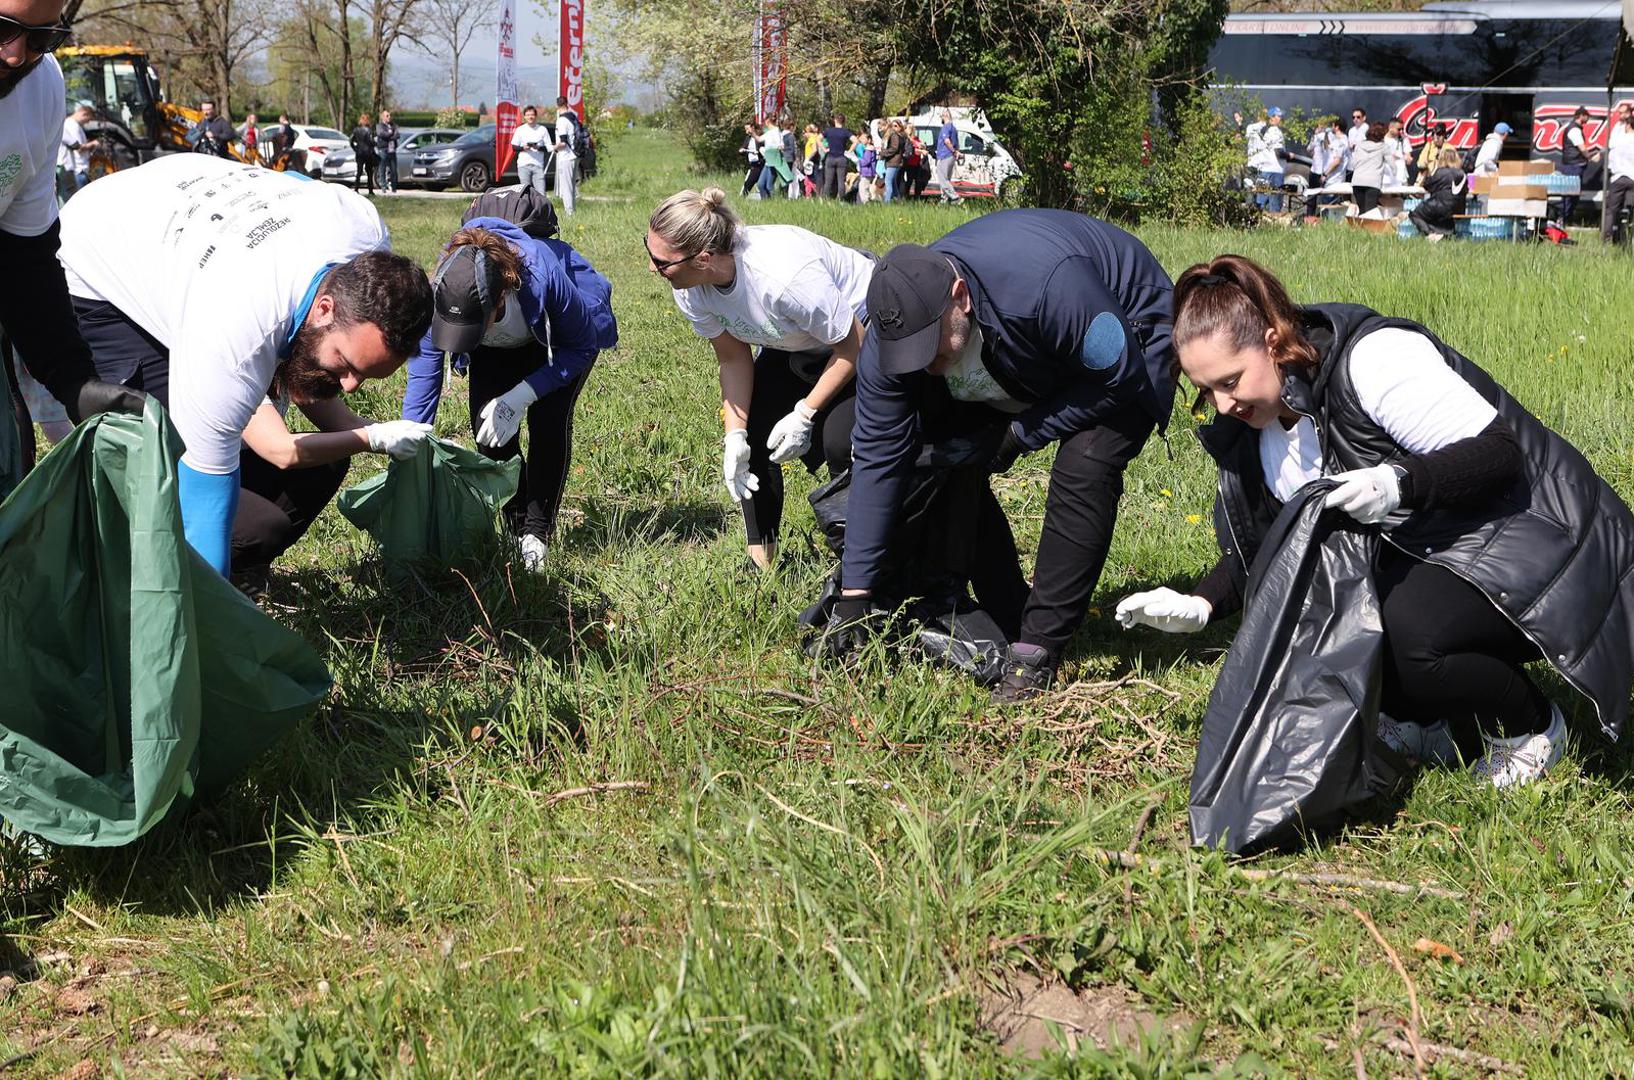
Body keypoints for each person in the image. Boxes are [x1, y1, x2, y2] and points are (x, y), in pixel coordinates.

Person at [1115, 254, 1634, 787]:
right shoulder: (1264, 427)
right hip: (1446, 547)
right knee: (1333, 616)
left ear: (1272, 341)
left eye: (1230, 381)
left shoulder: (1372, 360)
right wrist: (1203, 603)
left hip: (1545, 535)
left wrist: (1396, 483)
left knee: (1408, 630)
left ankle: (1530, 727)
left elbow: (1500, 455)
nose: (1223, 405)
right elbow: (1281, 545)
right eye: (1206, 391)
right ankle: (1424, 722)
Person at [831, 210, 1176, 702]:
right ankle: (1009, 609)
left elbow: (1120, 378)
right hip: (1020, 347)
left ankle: (1038, 651)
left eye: (929, 346)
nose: (924, 363)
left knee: (1085, 467)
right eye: (910, 352)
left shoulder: (1047, 290)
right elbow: (879, 454)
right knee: (943, 450)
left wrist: (1018, 434)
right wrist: (855, 594)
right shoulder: (896, 329)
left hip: (1129, 335)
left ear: (959, 297)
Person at [55, 154, 434, 577]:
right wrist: (217, 625)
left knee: (303, 449)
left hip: (192, 216)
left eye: (365, 374)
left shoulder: (364, 233)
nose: (350, 386)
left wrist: (373, 434)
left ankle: (240, 559)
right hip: (104, 249)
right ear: (324, 308)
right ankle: (126, 567)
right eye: (346, 365)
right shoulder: (232, 334)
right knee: (161, 450)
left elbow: (290, 182)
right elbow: (207, 497)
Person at [646, 188, 873, 571]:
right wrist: (734, 435)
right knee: (753, 432)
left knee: (840, 442)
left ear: (703, 257)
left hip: (863, 328)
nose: (652, 269)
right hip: (797, 338)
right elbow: (734, 358)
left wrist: (805, 413)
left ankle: (861, 571)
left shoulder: (781, 276)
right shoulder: (690, 286)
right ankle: (761, 565)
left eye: (661, 262)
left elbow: (852, 345)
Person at [403, 218, 617, 570]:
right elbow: (425, 374)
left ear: (501, 295)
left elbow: (580, 348)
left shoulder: (542, 280)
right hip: (499, 343)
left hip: (557, 341)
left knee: (548, 421)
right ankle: (516, 529)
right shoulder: (441, 293)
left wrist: (521, 396)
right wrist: (410, 440)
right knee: (487, 432)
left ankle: (537, 532)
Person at [0, 0, 147, 498]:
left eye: (42, 38)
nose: (18, 56)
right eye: (2, 29)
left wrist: (73, 379)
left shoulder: (41, 87)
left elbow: (24, 256)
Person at [1409, 146, 1467, 241]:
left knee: (1415, 214)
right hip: (1457, 208)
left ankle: (1430, 234)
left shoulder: (1440, 172)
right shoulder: (1462, 174)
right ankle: (1445, 234)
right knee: (1443, 214)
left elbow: (1427, 185)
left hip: (1439, 205)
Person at [1556, 106, 1599, 226]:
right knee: (1570, 195)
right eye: (1586, 116)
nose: (1588, 118)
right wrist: (1591, 157)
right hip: (1573, 166)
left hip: (1573, 165)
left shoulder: (1574, 128)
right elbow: (1582, 148)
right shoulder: (1574, 130)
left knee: (1572, 194)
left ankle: (1566, 219)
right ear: (1581, 116)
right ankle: (1563, 219)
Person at [1245, 107, 1286, 213]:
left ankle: (1254, 219)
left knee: (1259, 198)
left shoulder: (1254, 128)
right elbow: (1278, 152)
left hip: (1260, 167)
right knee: (1271, 200)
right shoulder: (1269, 130)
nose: (1281, 118)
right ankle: (1269, 222)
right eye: (1278, 116)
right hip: (1264, 168)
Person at [1603, 105, 1633, 245]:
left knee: (1611, 211)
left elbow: (1611, 150)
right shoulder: (1620, 130)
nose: (1620, 116)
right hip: (1632, 178)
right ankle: (1626, 238)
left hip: (1618, 177)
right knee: (1630, 210)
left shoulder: (1619, 139)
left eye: (1622, 113)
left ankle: (1607, 238)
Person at [1306, 118, 1346, 219]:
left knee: (1317, 198)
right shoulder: (1333, 138)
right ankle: (1314, 219)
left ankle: (1314, 218)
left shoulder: (1328, 138)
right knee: (1319, 198)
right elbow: (1310, 150)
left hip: (1322, 172)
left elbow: (1309, 150)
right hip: (1320, 171)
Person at [56, 101, 94, 200]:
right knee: (71, 197)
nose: (88, 123)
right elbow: (76, 145)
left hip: (69, 167)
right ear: (84, 113)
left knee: (64, 195)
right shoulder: (70, 125)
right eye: (88, 119)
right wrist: (93, 144)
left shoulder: (68, 124)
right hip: (69, 167)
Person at [1349, 122, 1387, 214]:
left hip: (1357, 181)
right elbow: (1392, 165)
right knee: (1370, 211)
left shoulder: (1359, 145)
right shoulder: (1383, 147)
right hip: (1373, 182)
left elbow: (1353, 164)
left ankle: (1360, 227)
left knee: (1361, 210)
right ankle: (1368, 228)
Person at [513, 105, 550, 197]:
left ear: (536, 116)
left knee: (541, 193)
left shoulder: (542, 129)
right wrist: (523, 148)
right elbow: (513, 146)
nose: (530, 117)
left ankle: (542, 211)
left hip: (538, 165)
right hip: (523, 165)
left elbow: (548, 147)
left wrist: (538, 147)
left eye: (532, 114)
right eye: (528, 115)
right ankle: (526, 211)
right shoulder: (520, 129)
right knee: (525, 193)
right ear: (524, 116)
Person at [553, 96, 580, 215]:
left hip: (566, 157)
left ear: (557, 106)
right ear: (567, 104)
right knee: (572, 186)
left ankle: (569, 213)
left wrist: (553, 147)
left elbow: (563, 142)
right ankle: (572, 211)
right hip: (575, 156)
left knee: (566, 187)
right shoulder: (573, 117)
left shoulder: (562, 120)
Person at [758, 117, 792, 198]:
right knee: (760, 184)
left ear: (768, 121)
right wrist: (752, 132)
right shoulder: (768, 132)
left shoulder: (776, 131)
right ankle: (765, 202)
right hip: (768, 162)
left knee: (769, 186)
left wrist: (778, 147)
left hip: (774, 161)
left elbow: (780, 145)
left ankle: (772, 202)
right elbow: (759, 139)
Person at [821, 112, 852, 200]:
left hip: (830, 157)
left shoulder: (829, 130)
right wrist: (849, 151)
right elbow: (855, 141)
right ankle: (841, 200)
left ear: (835, 120)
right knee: (841, 181)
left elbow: (818, 139)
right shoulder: (845, 132)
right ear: (843, 121)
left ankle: (824, 200)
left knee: (828, 181)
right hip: (841, 158)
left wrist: (824, 149)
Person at [934, 108, 962, 204]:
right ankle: (944, 200)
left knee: (943, 180)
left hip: (944, 155)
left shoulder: (946, 127)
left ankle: (955, 197)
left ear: (944, 116)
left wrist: (953, 151)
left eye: (941, 115)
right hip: (951, 156)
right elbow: (957, 143)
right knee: (946, 179)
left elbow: (947, 141)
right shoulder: (954, 128)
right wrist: (956, 153)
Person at [349, 112, 378, 195]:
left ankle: (356, 188)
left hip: (359, 153)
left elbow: (351, 141)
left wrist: (355, 149)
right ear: (367, 120)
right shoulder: (368, 130)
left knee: (359, 171)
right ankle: (370, 190)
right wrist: (376, 144)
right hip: (368, 153)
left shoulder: (355, 130)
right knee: (369, 172)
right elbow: (370, 141)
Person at [881, 119, 907, 204]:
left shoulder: (895, 135)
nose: (894, 128)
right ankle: (899, 201)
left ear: (900, 126)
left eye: (896, 126)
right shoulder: (899, 135)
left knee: (888, 182)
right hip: (895, 161)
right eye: (892, 126)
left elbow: (894, 148)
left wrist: (884, 153)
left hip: (894, 162)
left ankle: (886, 203)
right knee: (893, 183)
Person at [374, 108, 399, 192]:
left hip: (392, 150)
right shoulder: (379, 126)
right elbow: (381, 134)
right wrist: (391, 133)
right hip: (383, 150)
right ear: (383, 117)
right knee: (382, 169)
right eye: (387, 116)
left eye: (389, 115)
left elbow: (397, 135)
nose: (389, 117)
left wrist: (389, 134)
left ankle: (394, 188)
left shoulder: (393, 125)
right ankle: (383, 187)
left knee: (394, 170)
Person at [740, 121, 764, 197]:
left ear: (752, 127)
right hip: (752, 164)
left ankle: (743, 197)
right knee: (748, 183)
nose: (746, 131)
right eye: (745, 129)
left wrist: (758, 152)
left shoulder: (760, 137)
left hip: (759, 164)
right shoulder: (748, 138)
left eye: (747, 129)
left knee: (750, 183)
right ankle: (743, 197)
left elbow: (764, 149)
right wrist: (742, 151)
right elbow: (743, 148)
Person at [1383, 118, 1409, 187]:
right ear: (1390, 128)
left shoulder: (1404, 139)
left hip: (1401, 176)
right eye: (1399, 129)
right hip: (1386, 176)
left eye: (1402, 129)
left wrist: (1407, 158)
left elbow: (1408, 155)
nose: (1401, 131)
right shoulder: (1382, 140)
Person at [854, 131, 878, 204]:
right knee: (864, 188)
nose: (862, 140)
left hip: (867, 172)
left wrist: (858, 160)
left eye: (864, 139)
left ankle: (866, 203)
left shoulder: (868, 150)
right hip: (867, 172)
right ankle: (866, 202)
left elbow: (866, 161)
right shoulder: (869, 150)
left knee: (863, 189)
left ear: (869, 140)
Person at [1345, 106, 1368, 177]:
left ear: (1364, 118)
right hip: (1351, 165)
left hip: (1362, 166)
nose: (1355, 119)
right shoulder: (1351, 130)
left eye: (1358, 117)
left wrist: (1355, 145)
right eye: (1353, 117)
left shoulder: (1367, 129)